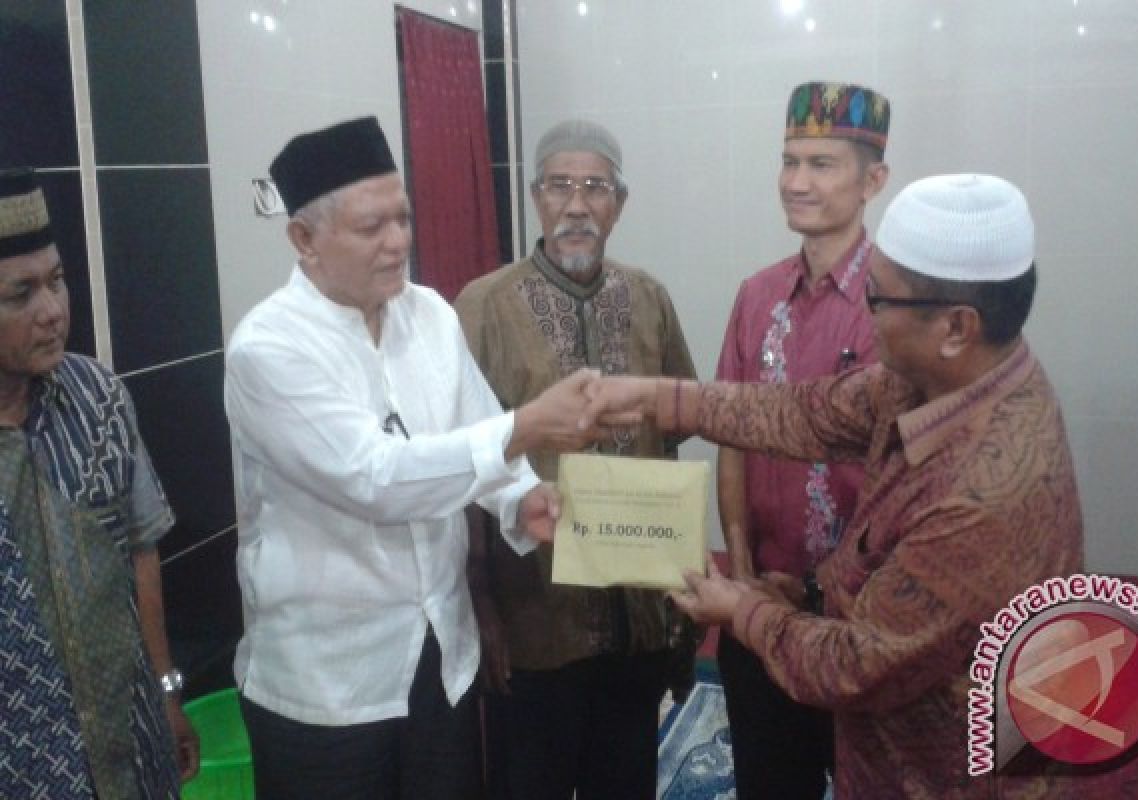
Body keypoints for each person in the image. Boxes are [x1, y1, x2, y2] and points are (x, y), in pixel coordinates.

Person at [583, 173, 1084, 798]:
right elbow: (805, 413)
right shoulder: (942, 378)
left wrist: (740, 610)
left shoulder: (988, 487)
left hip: (947, 773)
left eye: (879, 299)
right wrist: (658, 398)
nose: (865, 314)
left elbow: (854, 667)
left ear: (957, 327)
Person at [224, 116, 603, 800]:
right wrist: (530, 426)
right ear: (304, 240)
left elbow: (475, 422)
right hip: (330, 683)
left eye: (403, 219)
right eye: (372, 227)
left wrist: (520, 498)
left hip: (441, 659)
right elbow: (375, 478)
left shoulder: (428, 314)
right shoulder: (269, 350)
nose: (398, 241)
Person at [454, 119, 698, 800]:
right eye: (560, 184)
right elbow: (464, 461)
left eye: (595, 187)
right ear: (535, 196)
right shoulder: (483, 306)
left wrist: (679, 594)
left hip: (636, 612)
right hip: (536, 615)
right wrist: (480, 599)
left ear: (618, 203)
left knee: (625, 780)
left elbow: (671, 444)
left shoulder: (648, 298)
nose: (577, 203)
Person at [714, 80, 890, 800]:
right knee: (768, 782)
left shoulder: (899, 303)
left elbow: (902, 469)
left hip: (864, 623)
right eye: (789, 161)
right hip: (761, 612)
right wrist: (745, 562)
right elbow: (728, 434)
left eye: (821, 164)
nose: (795, 182)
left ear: (873, 180)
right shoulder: (757, 295)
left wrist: (822, 589)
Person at [0, 167, 198, 798]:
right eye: (21, 294)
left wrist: (165, 689)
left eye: (57, 280)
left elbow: (140, 548)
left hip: (129, 746)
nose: (53, 310)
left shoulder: (97, 397)